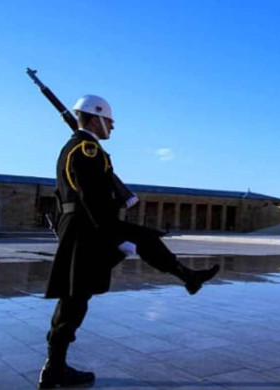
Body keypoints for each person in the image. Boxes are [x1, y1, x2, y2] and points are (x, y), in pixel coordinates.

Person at [38, 95, 220, 389]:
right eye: (109, 120)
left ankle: (188, 276)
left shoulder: (79, 148)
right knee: (74, 301)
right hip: (87, 231)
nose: (112, 126)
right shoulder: (87, 150)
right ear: (96, 119)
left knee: (80, 296)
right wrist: (116, 238)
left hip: (83, 228)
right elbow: (93, 200)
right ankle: (54, 368)